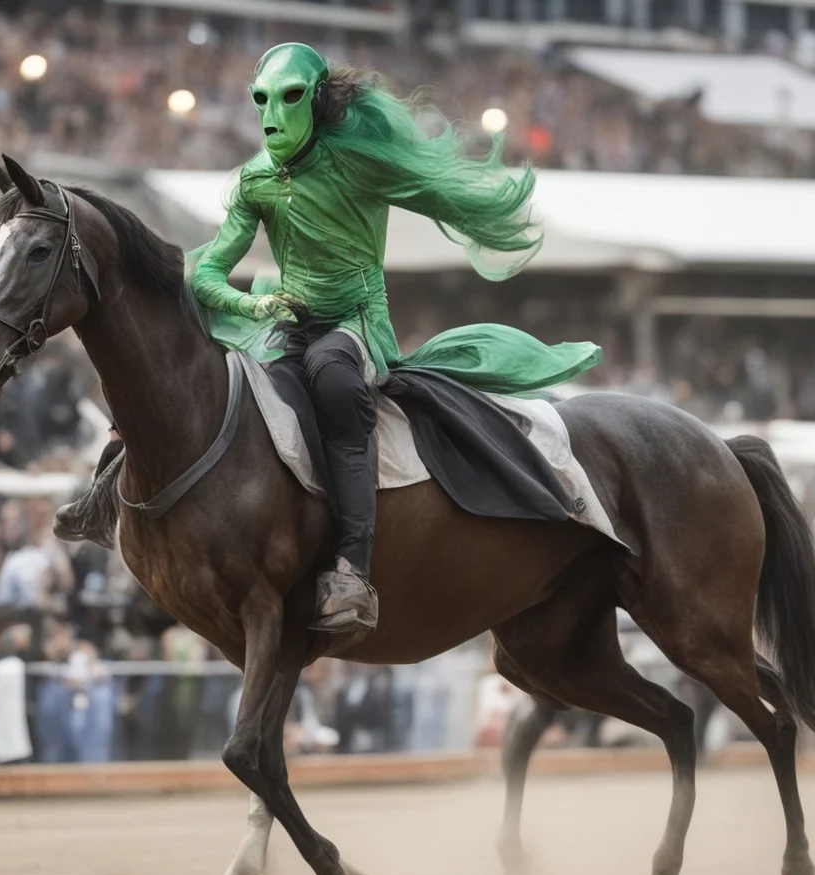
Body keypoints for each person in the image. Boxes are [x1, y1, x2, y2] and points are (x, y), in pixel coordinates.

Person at [59, 42, 603, 643]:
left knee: (334, 379)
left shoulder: (360, 164)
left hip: (357, 324)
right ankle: (101, 495)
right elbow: (212, 272)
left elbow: (432, 191)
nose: (272, 115)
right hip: (282, 322)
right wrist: (254, 304)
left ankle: (352, 572)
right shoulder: (255, 181)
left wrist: (488, 207)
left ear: (316, 102)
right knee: (181, 377)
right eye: (261, 101)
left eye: (288, 99)